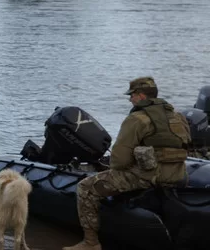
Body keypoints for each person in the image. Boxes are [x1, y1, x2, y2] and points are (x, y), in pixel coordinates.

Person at [63, 77, 191, 250]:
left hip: (148, 176)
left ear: (140, 95)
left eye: (132, 95)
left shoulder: (137, 119)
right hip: (179, 174)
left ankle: (90, 243)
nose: (130, 99)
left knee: (85, 188)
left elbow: (119, 160)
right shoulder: (178, 116)